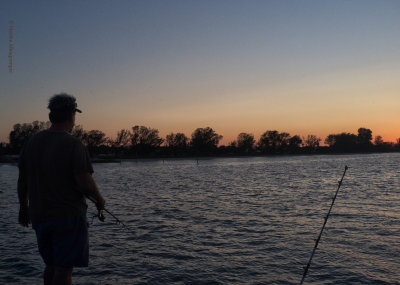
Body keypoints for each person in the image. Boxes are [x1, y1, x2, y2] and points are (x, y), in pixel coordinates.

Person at [17, 93, 106, 285]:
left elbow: (22, 179)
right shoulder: (74, 144)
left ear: (51, 116)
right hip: (68, 217)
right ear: (71, 115)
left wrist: (23, 208)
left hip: (39, 216)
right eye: (74, 114)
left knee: (51, 264)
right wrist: (99, 199)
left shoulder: (32, 143)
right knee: (64, 270)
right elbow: (84, 182)